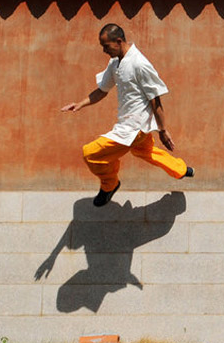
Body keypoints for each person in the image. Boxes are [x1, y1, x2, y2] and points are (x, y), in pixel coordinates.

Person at [61, 23, 194, 207]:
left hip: (133, 129)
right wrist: (80, 104)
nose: (104, 50)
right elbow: (102, 90)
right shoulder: (115, 63)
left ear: (118, 41)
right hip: (132, 127)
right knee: (145, 151)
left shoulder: (139, 64)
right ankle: (181, 169)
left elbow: (155, 99)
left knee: (90, 153)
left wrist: (163, 130)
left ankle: (110, 184)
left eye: (106, 46)